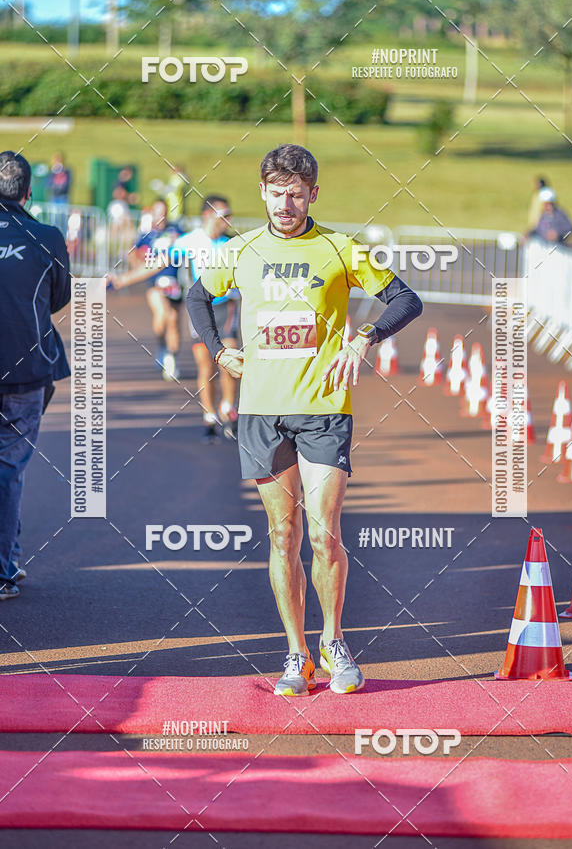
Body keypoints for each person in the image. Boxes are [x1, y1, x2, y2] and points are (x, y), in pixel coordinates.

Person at [187, 144, 422, 695]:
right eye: (275, 191)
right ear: (262, 193)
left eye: (296, 192)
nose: (285, 202)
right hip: (262, 411)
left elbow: (406, 299)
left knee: (323, 533)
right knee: (281, 532)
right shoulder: (240, 250)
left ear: (313, 193)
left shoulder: (340, 250)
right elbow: (198, 297)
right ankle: (295, 653)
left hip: (323, 411)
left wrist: (365, 338)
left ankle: (334, 641)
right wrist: (220, 351)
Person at [0, 151, 70, 599]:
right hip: (28, 370)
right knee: (8, 470)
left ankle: (9, 558)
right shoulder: (46, 235)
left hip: (28, 371)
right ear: (28, 192)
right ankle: (5, 565)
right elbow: (58, 297)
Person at [172, 195, 239, 441]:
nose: (229, 219)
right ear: (208, 215)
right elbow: (159, 263)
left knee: (230, 356)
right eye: (225, 214)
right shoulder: (187, 242)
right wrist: (123, 278)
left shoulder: (232, 243)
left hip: (226, 306)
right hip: (200, 309)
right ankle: (209, 414)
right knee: (206, 365)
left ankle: (229, 408)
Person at [109, 198, 183, 380]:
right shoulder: (147, 235)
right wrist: (137, 265)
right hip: (155, 283)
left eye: (163, 211)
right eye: (157, 212)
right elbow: (133, 254)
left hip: (175, 283)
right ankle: (163, 349)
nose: (160, 216)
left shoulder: (177, 231)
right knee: (164, 314)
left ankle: (172, 356)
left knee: (174, 320)